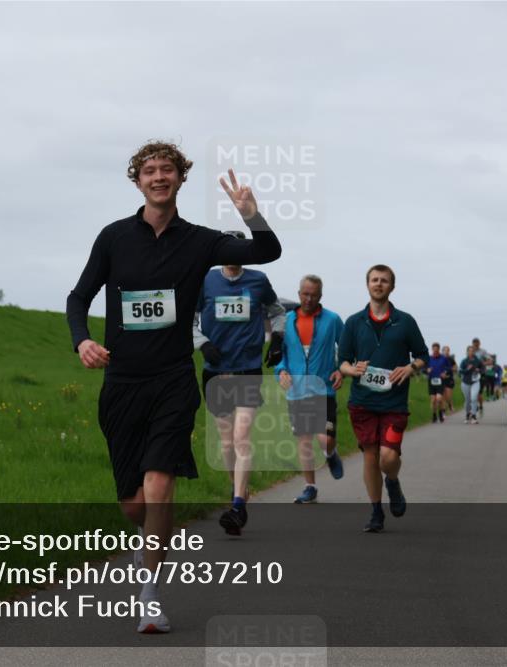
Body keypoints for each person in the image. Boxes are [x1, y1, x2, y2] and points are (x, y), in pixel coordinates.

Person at [66, 141, 281, 633]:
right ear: (137, 180)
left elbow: (266, 251)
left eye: (168, 169)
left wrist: (252, 215)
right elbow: (79, 297)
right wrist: (82, 342)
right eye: (149, 170)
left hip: (173, 379)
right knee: (134, 504)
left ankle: (149, 593)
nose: (159, 176)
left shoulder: (202, 241)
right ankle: (148, 547)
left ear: (181, 178)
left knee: (159, 484)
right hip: (121, 381)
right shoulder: (114, 237)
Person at [193, 243, 286, 535]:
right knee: (226, 442)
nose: (232, 261)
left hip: (247, 368)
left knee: (242, 436)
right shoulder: (205, 279)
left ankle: (237, 505)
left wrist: (279, 338)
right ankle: (238, 491)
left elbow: (277, 310)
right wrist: (202, 343)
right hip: (216, 371)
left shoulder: (258, 280)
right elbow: (188, 317)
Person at [339, 265, 428, 533]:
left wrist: (411, 368)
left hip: (394, 403)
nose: (379, 284)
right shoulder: (354, 322)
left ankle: (392, 480)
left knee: (387, 458)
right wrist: (351, 370)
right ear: (367, 285)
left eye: (384, 280)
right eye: (374, 280)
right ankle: (376, 511)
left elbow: (422, 356)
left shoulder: (405, 321)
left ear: (392, 286)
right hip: (363, 401)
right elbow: (342, 361)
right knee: (370, 456)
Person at [273, 275, 346, 504]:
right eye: (305, 294)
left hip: (323, 389)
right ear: (298, 294)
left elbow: (346, 349)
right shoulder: (286, 321)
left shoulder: (333, 320)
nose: (308, 298)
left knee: (325, 438)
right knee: (304, 439)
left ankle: (330, 453)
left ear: (320, 296)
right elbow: (279, 355)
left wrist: (341, 371)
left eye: (313, 294)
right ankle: (310, 487)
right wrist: (281, 371)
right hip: (296, 391)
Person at [460, 345, 485, 425]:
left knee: (474, 398)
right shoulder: (464, 361)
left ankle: (474, 416)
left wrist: (479, 370)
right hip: (465, 382)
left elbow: (483, 369)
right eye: (469, 351)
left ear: (474, 352)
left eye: (472, 351)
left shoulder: (478, 361)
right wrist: (467, 369)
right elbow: (460, 371)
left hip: (475, 382)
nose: (471, 352)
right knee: (467, 400)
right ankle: (467, 415)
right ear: (467, 352)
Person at [426, 342, 449, 423]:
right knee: (433, 400)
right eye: (434, 350)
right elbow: (423, 368)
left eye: (437, 350)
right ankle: (434, 415)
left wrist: (445, 372)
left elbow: (448, 367)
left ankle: (440, 413)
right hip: (431, 381)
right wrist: (427, 370)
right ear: (432, 349)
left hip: (440, 381)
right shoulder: (429, 358)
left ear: (439, 349)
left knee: (439, 399)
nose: (435, 351)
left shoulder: (443, 358)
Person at [442, 345, 457, 415]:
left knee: (448, 395)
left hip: (449, 379)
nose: (446, 352)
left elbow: (455, 367)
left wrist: (451, 369)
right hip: (441, 379)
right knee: (443, 396)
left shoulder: (451, 359)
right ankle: (444, 411)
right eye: (445, 351)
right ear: (442, 351)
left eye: (448, 351)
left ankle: (450, 405)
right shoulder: (440, 359)